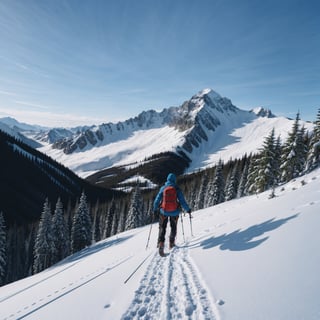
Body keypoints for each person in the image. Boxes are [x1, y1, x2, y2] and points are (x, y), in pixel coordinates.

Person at [153, 173, 191, 254]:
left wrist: (155, 208)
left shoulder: (163, 188)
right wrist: (188, 210)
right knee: (173, 227)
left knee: (162, 227)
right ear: (174, 180)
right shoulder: (177, 189)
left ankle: (161, 243)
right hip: (175, 212)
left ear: (167, 179)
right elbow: (182, 201)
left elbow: (157, 200)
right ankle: (171, 243)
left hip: (163, 211)